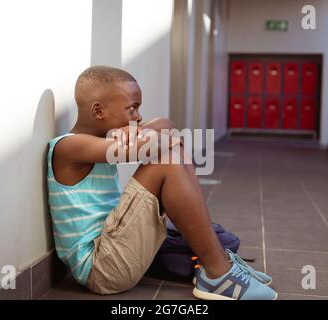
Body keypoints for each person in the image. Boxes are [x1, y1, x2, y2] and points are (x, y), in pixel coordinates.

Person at [46, 65, 277, 300]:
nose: (138, 116)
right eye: (132, 108)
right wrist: (156, 135)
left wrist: (143, 129)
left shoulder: (101, 140)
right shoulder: (70, 146)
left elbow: (167, 123)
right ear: (98, 111)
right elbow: (156, 143)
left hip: (114, 247)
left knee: (172, 150)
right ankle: (218, 273)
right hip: (102, 268)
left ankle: (219, 264)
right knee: (167, 157)